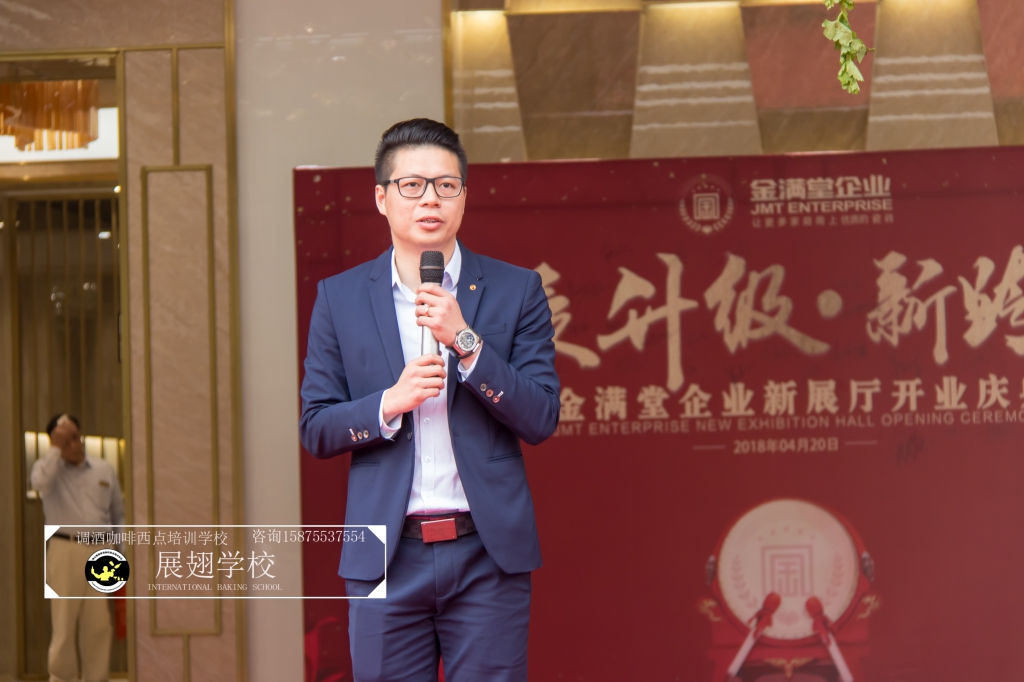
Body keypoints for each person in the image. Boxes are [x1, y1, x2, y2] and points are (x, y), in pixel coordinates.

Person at [300, 118, 560, 681]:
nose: (430, 199)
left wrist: (466, 342)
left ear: (464, 197)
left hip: (487, 554)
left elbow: (541, 416)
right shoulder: (340, 298)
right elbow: (316, 427)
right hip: (387, 557)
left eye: (446, 185)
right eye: (411, 185)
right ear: (381, 198)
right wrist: (388, 404)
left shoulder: (516, 289)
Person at [31, 413, 125, 682]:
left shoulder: (103, 468)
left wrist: (121, 552)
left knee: (99, 624)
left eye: (75, 437)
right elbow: (39, 483)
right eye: (65, 441)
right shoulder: (47, 470)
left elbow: (118, 513)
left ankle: (97, 678)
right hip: (65, 550)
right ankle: (63, 678)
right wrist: (54, 450)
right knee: (63, 622)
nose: (73, 445)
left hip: (101, 550)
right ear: (55, 444)